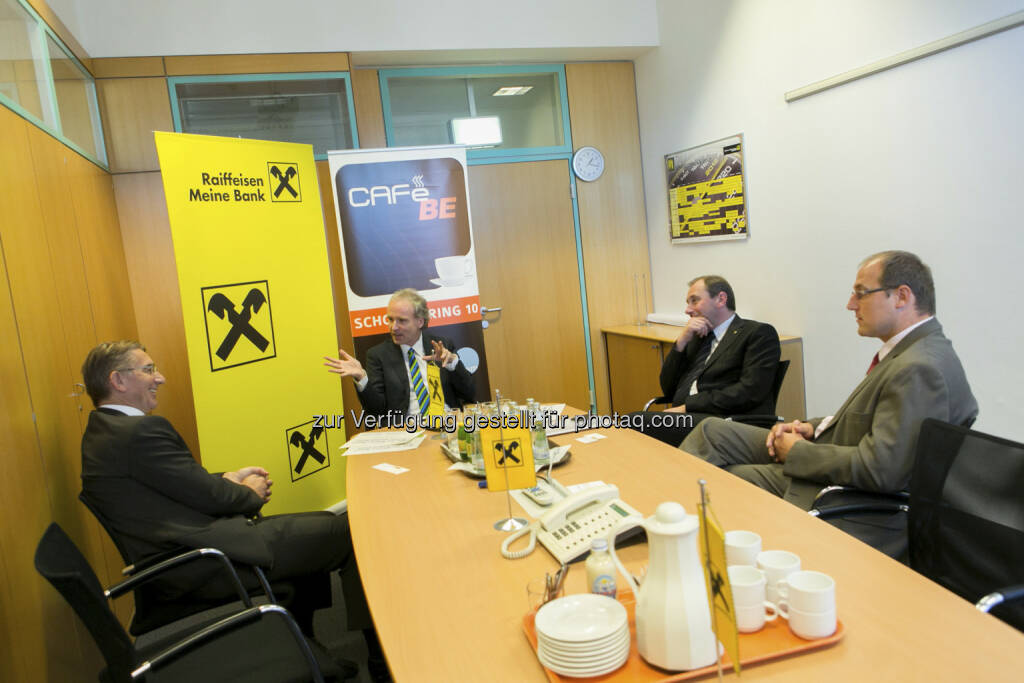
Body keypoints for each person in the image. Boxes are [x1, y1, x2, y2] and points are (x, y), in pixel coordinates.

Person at [79, 341, 387, 680]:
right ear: (118, 381)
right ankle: (380, 659)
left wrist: (227, 478)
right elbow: (213, 497)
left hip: (188, 552)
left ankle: (306, 647)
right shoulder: (139, 432)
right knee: (346, 532)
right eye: (149, 370)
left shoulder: (104, 431)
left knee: (321, 525)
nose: (160, 378)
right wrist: (249, 494)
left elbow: (178, 483)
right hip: (207, 561)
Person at [682, 251, 979, 512]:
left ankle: (668, 520)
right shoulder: (913, 350)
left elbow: (884, 470)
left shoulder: (920, 368)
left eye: (861, 293)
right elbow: (874, 420)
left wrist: (798, 451)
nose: (851, 304)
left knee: (726, 477)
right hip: (830, 446)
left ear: (902, 296)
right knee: (711, 432)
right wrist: (811, 426)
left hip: (841, 491)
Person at [631, 275, 781, 445]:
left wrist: (688, 407)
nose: (687, 310)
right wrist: (682, 342)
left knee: (636, 422)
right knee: (633, 424)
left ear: (721, 299)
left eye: (694, 301)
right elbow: (668, 388)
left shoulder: (757, 333)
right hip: (690, 417)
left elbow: (749, 391)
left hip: (724, 420)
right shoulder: (700, 336)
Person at [325, 288, 476, 419]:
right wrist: (362, 378)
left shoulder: (442, 346)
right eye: (390, 320)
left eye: (402, 321)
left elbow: (470, 394)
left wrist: (453, 363)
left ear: (420, 322)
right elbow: (376, 411)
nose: (393, 327)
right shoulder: (378, 355)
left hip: (448, 423)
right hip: (407, 432)